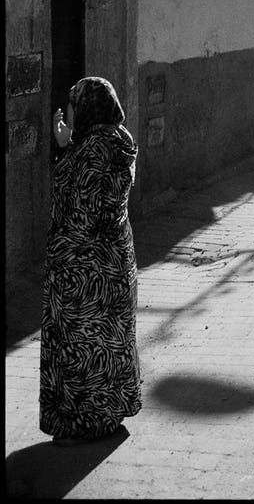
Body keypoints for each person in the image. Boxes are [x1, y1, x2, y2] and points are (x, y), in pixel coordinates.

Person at [40, 76, 142, 444]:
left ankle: (87, 424)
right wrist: (69, 144)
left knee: (84, 345)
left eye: (73, 105)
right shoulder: (118, 139)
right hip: (113, 259)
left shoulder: (92, 150)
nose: (68, 112)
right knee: (110, 340)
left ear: (87, 108)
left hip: (86, 270)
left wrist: (66, 149)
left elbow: (81, 211)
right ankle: (110, 415)